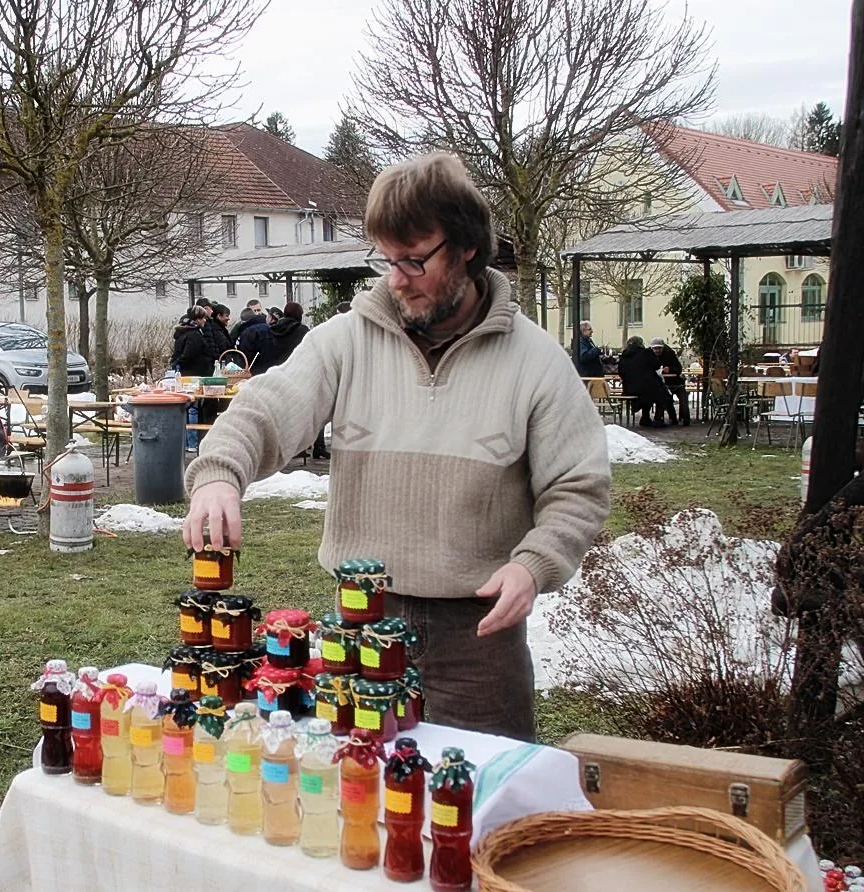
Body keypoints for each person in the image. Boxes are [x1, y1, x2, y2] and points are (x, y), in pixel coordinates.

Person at [182, 151, 610, 742]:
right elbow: (265, 408)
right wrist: (218, 474)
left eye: (414, 259)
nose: (397, 277)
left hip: (479, 634)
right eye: (387, 259)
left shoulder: (535, 360)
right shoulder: (345, 342)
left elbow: (578, 487)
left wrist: (535, 564)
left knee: (486, 811)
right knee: (360, 794)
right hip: (360, 623)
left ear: (465, 248)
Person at [617, 335, 674, 427]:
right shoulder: (645, 353)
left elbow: (620, 371)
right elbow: (656, 364)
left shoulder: (624, 355)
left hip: (629, 389)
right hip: (646, 388)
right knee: (662, 393)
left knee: (649, 393)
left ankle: (646, 418)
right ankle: (657, 419)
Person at [239, 301, 308, 375]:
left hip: (265, 374)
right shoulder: (303, 332)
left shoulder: (262, 331)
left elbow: (246, 354)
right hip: (293, 375)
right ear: (299, 316)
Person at [648, 337, 691, 425]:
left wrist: (670, 369)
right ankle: (673, 418)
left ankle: (686, 419)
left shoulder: (670, 354)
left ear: (663, 348)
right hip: (664, 384)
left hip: (677, 382)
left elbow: (679, 369)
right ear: (651, 348)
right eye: (655, 348)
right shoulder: (649, 356)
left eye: (659, 348)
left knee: (683, 401)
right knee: (666, 400)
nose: (657, 351)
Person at [169, 306, 215, 377]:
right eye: (203, 318)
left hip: (187, 373)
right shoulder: (194, 335)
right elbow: (188, 355)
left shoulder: (183, 332)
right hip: (195, 374)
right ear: (197, 319)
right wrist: (176, 364)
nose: (205, 320)